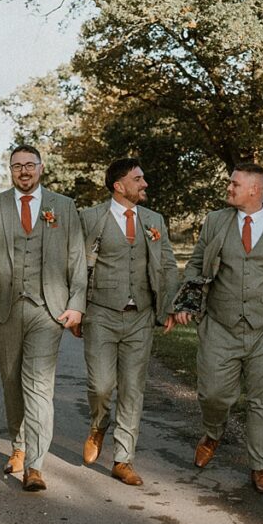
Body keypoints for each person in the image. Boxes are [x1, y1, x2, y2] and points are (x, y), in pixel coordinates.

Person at [176, 162, 263, 494]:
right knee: (213, 393)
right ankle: (213, 432)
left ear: (254, 189)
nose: (228, 188)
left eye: (233, 184)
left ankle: (261, 467)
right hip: (220, 325)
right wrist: (188, 301)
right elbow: (197, 263)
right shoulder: (215, 221)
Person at [0, 144, 87, 491]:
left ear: (41, 167)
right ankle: (18, 444)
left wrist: (77, 303)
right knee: (10, 381)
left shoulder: (63, 206)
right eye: (17, 166)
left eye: (29, 165)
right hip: (4, 307)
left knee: (38, 385)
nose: (24, 171)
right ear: (10, 170)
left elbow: (77, 259)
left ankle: (35, 464)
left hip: (48, 309)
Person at [77, 158, 180, 486]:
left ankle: (123, 459)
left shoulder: (154, 220)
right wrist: (75, 308)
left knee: (133, 389)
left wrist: (166, 307)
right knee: (101, 386)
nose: (145, 184)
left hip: (141, 316)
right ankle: (98, 424)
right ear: (119, 186)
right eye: (138, 179)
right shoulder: (91, 217)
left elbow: (167, 265)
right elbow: (75, 264)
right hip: (101, 313)